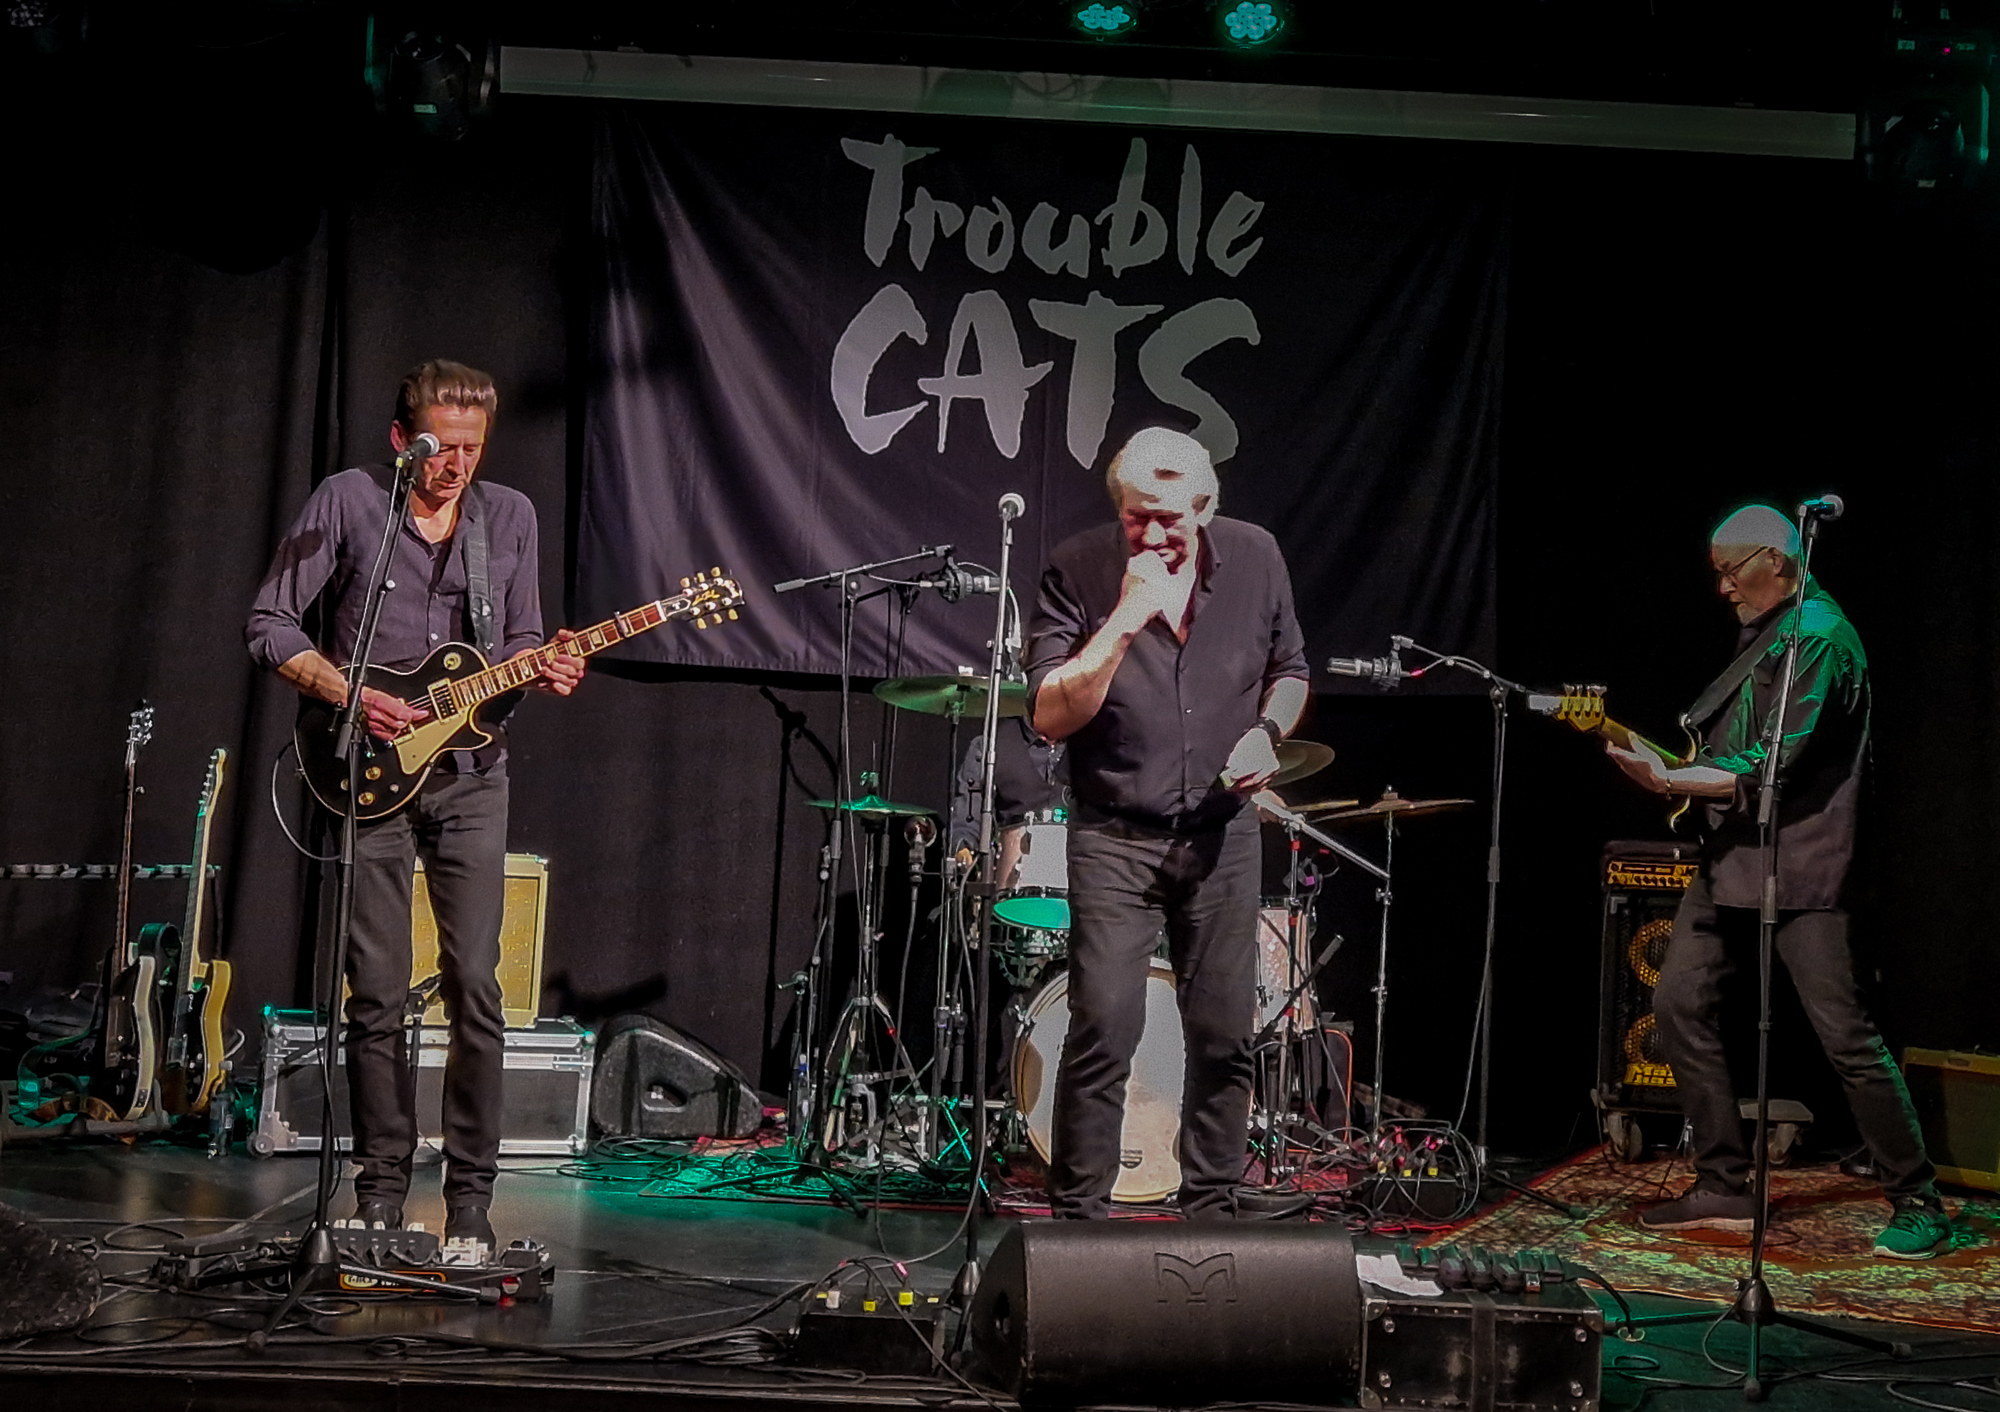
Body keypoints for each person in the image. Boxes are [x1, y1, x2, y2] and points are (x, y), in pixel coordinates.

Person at [246, 360, 584, 1251]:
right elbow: (270, 625)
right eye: (441, 448)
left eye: (473, 449)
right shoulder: (349, 501)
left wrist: (543, 666)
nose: (457, 465)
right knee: (377, 991)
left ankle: (471, 1199)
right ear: (403, 440)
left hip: (472, 775)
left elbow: (517, 639)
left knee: (477, 984)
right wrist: (350, 695)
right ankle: (379, 1189)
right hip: (365, 772)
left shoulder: (510, 517)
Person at [1606, 503, 1948, 1259]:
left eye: (1731, 570)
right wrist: (1676, 772)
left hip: (1803, 866)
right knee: (1677, 1002)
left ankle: (1918, 1198)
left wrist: (1671, 780)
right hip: (1734, 855)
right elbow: (1734, 752)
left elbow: (1771, 767)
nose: (1723, 587)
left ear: (1776, 560)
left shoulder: (1819, 638)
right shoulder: (1768, 634)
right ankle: (1724, 1181)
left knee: (1846, 1037)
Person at [1025, 426, 1310, 1219]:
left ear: (1205, 506)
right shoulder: (1078, 568)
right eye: (1136, 517)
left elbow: (1290, 670)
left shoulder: (1256, 556)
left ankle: (1211, 1208)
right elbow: (1049, 715)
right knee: (1103, 1029)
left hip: (1221, 834)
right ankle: (1079, 1221)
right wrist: (1124, 617)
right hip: (1115, 833)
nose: (1152, 535)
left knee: (1224, 1035)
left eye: (1168, 519)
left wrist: (1270, 732)